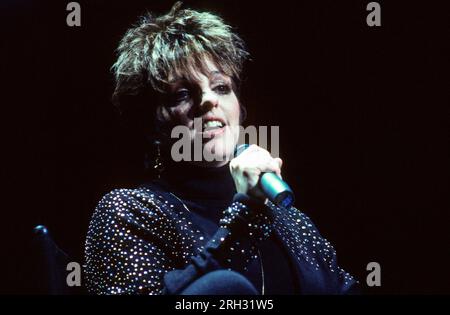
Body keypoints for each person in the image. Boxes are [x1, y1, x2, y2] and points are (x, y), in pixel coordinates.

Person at [84, 2, 358, 295]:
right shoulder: (129, 211)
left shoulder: (290, 221)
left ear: (240, 110)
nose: (208, 100)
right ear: (151, 126)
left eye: (221, 87)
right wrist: (247, 216)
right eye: (183, 94)